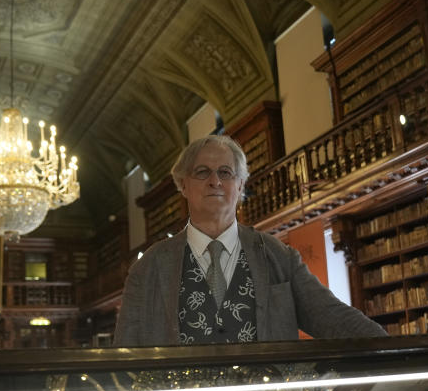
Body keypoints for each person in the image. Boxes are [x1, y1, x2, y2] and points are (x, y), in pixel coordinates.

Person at [114, 135, 386, 346]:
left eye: (225, 172)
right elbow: (124, 356)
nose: (215, 181)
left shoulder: (279, 257)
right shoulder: (148, 268)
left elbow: (332, 317)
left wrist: (401, 350)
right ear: (183, 185)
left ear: (240, 185)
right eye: (202, 172)